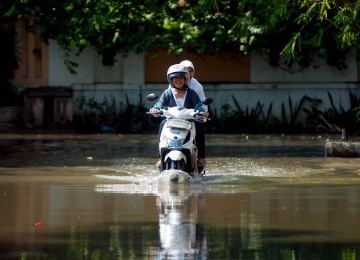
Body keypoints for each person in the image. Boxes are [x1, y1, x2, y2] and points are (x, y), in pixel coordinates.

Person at [149, 63, 206, 173]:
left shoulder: (191, 93)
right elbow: (159, 103)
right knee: (162, 124)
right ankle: (161, 156)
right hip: (171, 122)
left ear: (186, 79)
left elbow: (199, 105)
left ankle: (201, 158)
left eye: (181, 77)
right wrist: (155, 109)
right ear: (171, 79)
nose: (178, 80)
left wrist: (201, 112)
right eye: (175, 77)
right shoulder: (167, 93)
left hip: (189, 122)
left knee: (199, 126)